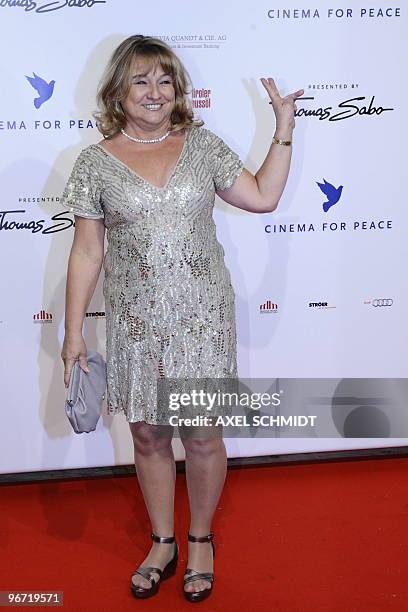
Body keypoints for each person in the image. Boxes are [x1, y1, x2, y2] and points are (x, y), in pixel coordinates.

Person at [60, 34, 303, 602]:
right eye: (140, 80)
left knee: (201, 434)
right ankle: (163, 540)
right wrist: (72, 332)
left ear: (178, 90)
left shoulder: (203, 145)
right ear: (117, 91)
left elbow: (264, 196)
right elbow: (86, 252)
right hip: (135, 323)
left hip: (202, 319)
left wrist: (284, 128)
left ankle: (199, 539)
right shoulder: (94, 163)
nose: (154, 91)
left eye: (165, 80)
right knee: (147, 435)